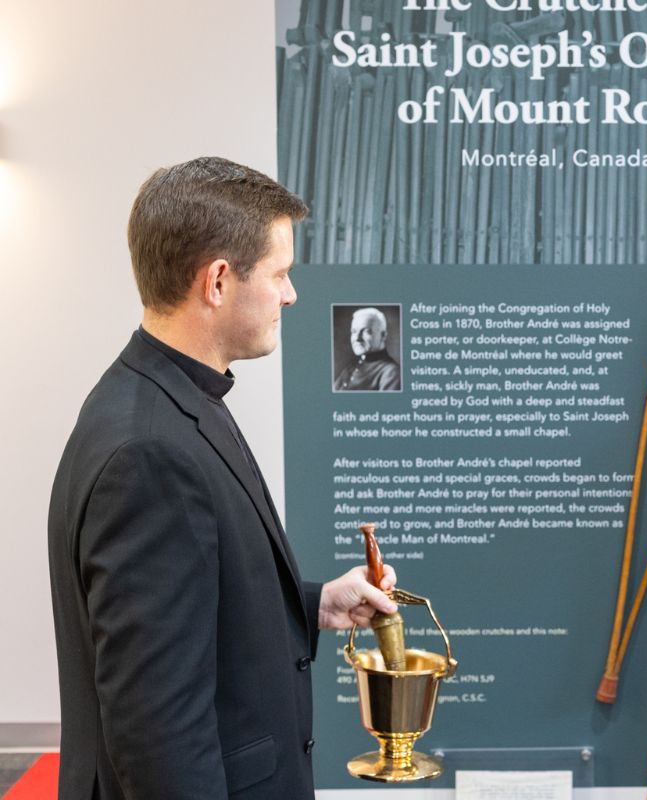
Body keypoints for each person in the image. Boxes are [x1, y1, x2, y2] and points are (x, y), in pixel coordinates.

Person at [48, 157, 400, 799]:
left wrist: (312, 601)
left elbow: (193, 600)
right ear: (216, 281)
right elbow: (158, 735)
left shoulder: (164, 400)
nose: (291, 294)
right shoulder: (150, 451)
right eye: (281, 273)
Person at [333, 307, 402, 391]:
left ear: (383, 336)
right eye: (354, 332)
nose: (357, 338)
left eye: (366, 331)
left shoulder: (391, 373)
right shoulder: (350, 368)